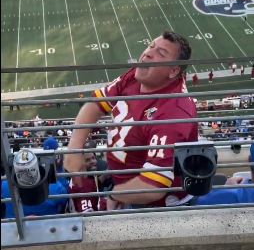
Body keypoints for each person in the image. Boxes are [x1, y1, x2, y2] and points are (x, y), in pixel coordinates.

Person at [64, 31, 198, 210]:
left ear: (173, 70)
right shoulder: (139, 75)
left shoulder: (173, 112)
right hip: (123, 185)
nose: (148, 53)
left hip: (155, 206)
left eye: (161, 53)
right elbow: (95, 104)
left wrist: (115, 194)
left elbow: (153, 187)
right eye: (151, 46)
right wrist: (74, 147)